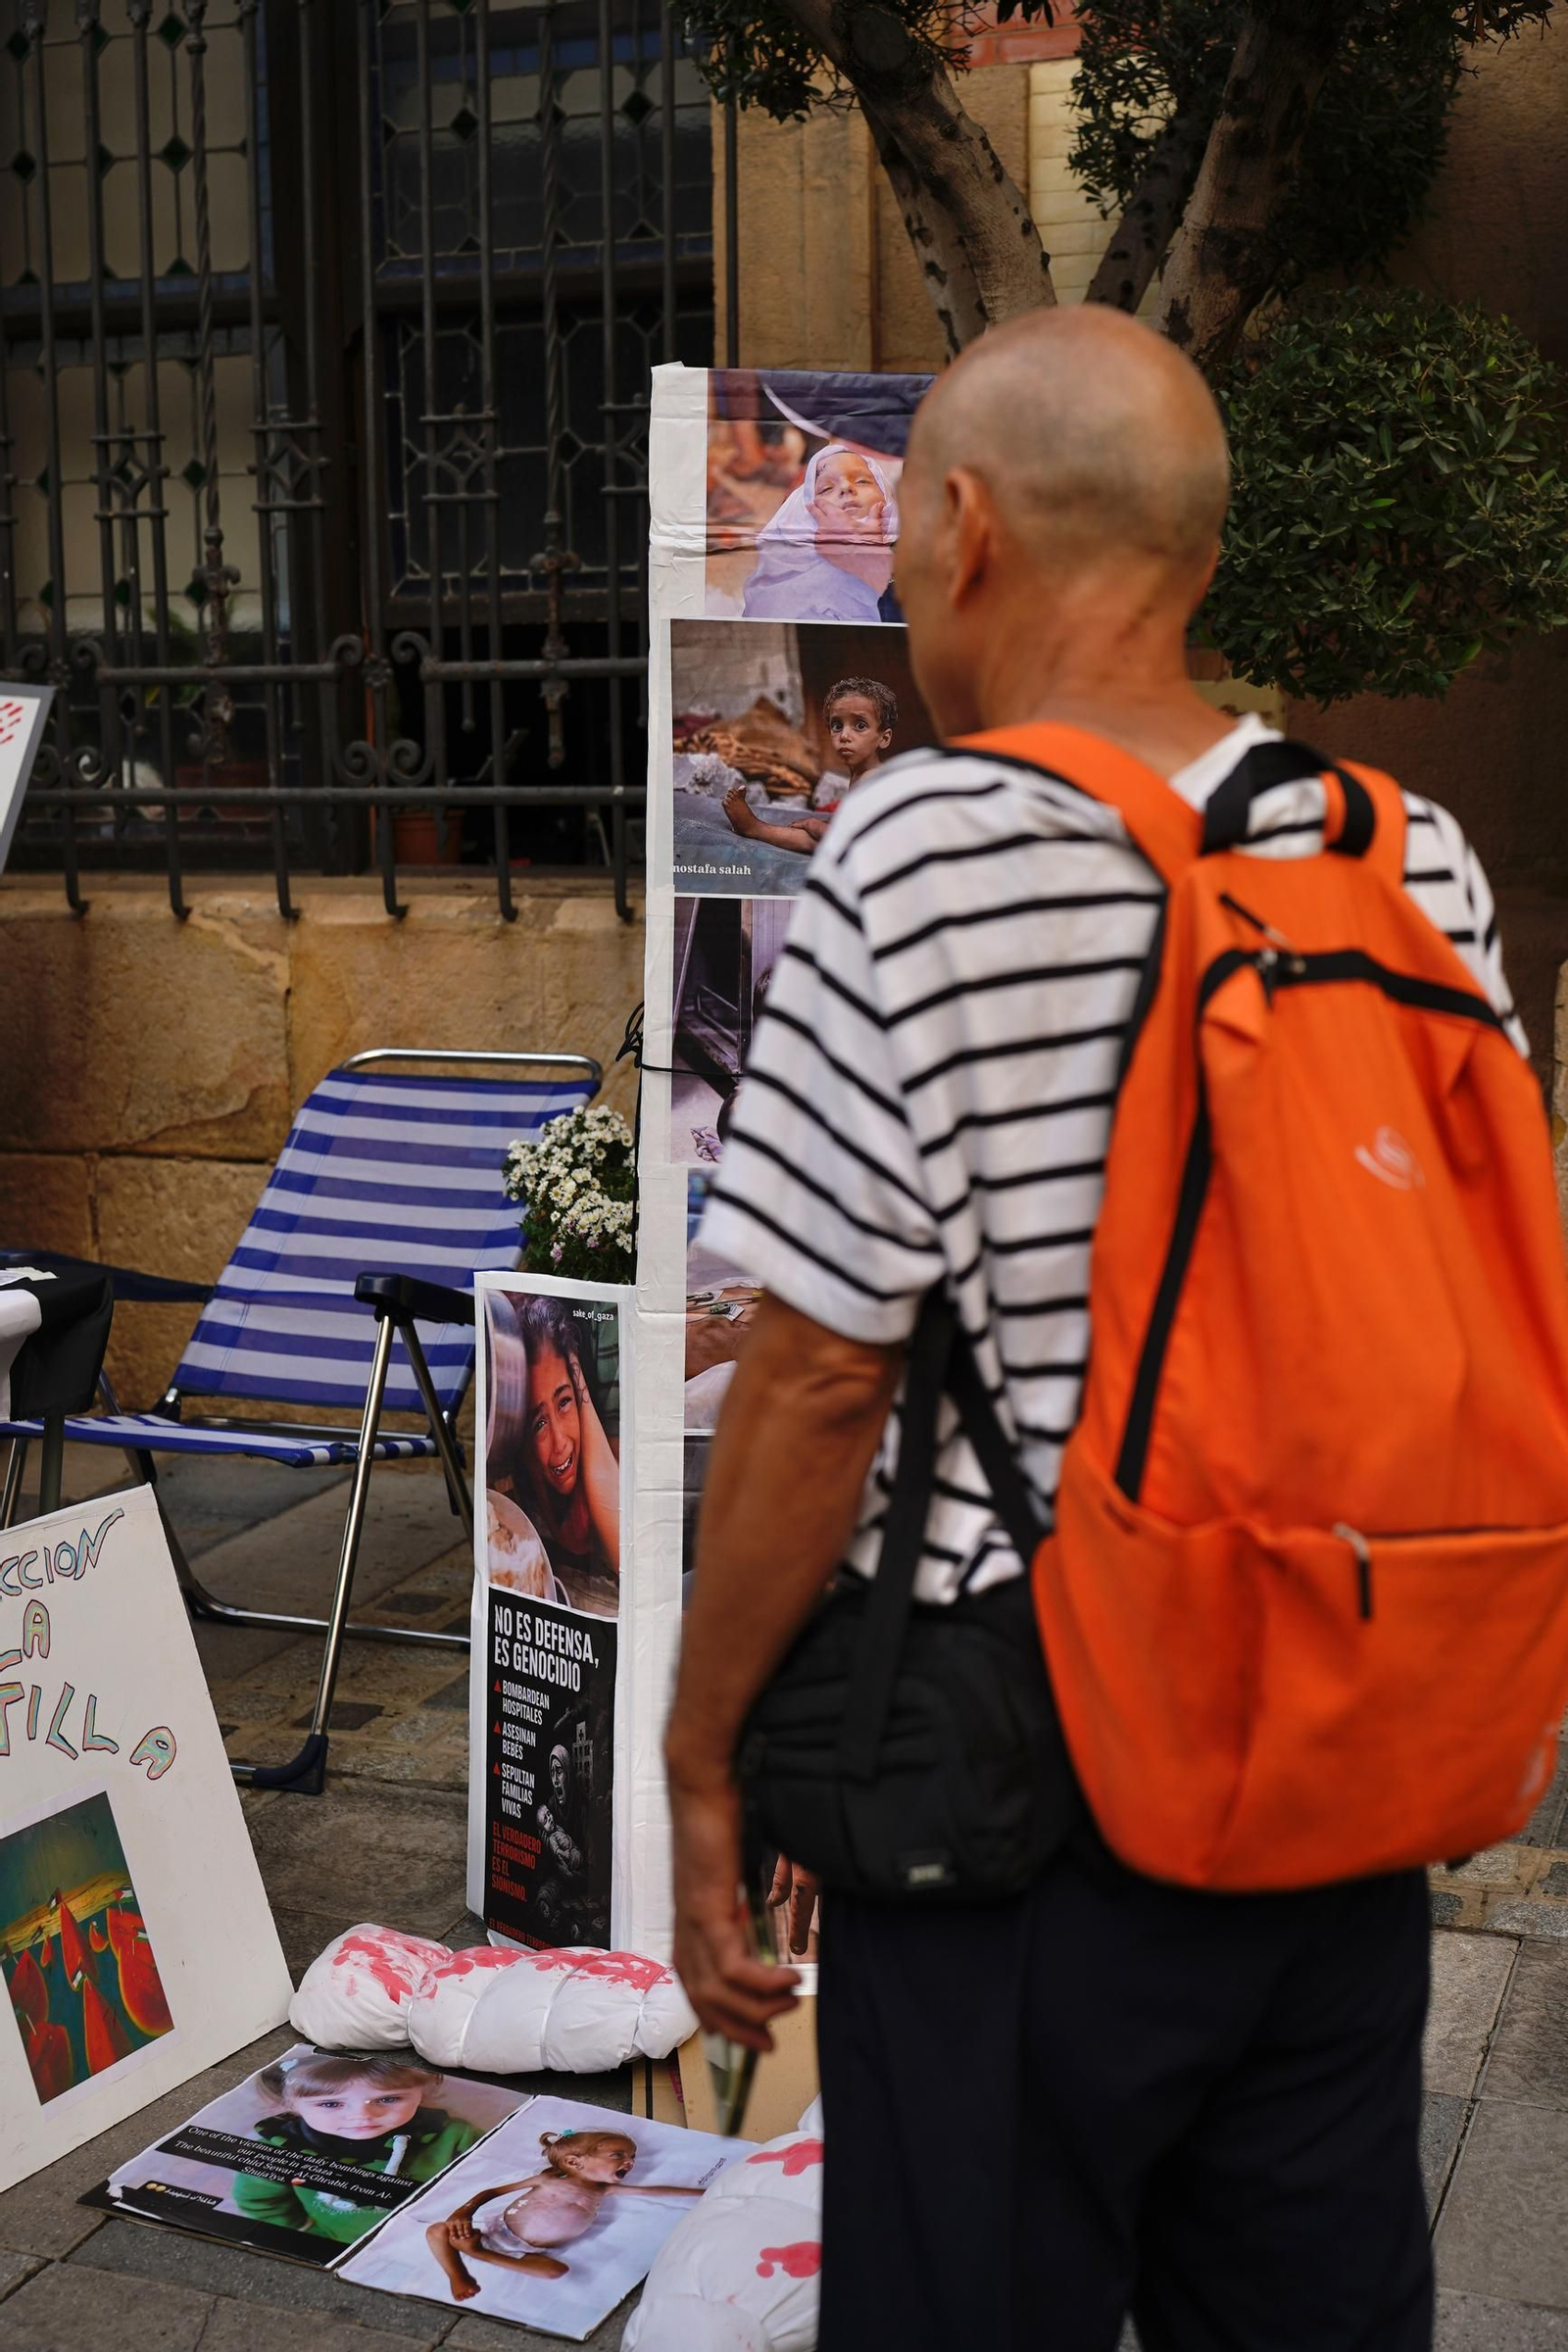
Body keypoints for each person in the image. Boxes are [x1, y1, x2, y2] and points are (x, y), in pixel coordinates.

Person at [665, 304, 1526, 2352]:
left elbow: (813, 1376)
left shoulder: (919, 848)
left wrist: (706, 1761)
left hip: (1012, 1784)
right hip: (1332, 1742)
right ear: (1201, 551)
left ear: (961, 529)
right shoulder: (1399, 854)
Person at [423, 2127, 703, 2299]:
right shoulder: (547, 2180)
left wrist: (703, 2193)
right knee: (436, 2231)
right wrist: (464, 2212)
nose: (629, 2162)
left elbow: (654, 2192)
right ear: (573, 2161)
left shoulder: (602, 2191)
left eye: (632, 2157)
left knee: (555, 2271)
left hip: (530, 2250)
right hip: (496, 2231)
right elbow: (492, 2192)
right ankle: (457, 2274)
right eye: (618, 2155)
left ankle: (478, 2254)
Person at [231, 2052, 479, 2246]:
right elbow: (258, 2200)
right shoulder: (279, 2148)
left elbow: (490, 2180)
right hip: (340, 2240)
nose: (362, 2116)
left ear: (421, 2094)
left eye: (388, 2099)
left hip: (442, 2241)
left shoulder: (454, 2134)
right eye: (331, 2103)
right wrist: (307, 2232)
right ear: (290, 2105)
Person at [515, 1296, 619, 1610]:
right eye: (539, 1423)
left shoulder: (604, 1468)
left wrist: (570, 1357)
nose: (560, 1442)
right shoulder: (515, 1514)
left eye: (564, 1402)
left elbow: (628, 1558)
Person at [723, 677, 897, 858]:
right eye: (837, 725)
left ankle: (755, 828)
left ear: (884, 738)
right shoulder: (862, 775)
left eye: (860, 725)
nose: (844, 735)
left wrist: (814, 825)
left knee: (817, 840)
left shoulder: (872, 780)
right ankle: (755, 828)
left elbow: (855, 842)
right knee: (818, 839)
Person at [741, 444, 900, 622]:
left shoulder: (916, 557)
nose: (846, 487)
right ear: (805, 515)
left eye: (862, 481)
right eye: (826, 489)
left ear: (886, 497)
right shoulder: (787, 589)